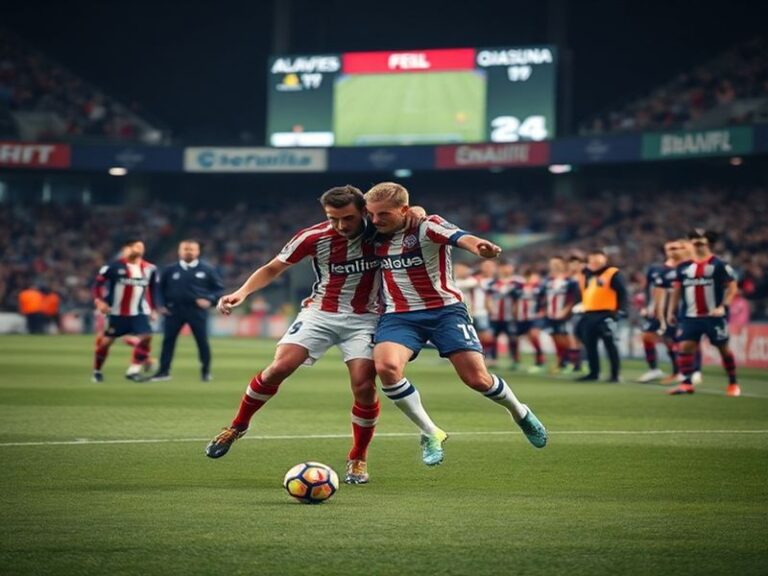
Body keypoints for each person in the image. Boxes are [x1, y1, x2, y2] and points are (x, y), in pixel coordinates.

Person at [204, 185, 425, 485]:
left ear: (363, 212)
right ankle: (237, 426)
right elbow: (273, 267)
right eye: (333, 218)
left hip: (367, 317)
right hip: (320, 312)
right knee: (278, 368)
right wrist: (241, 292)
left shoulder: (381, 230)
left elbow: (414, 217)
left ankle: (358, 457)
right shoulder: (313, 237)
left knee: (363, 385)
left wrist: (418, 212)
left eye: (347, 218)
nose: (340, 225)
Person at [364, 182, 547, 467]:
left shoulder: (428, 225)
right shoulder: (372, 232)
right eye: (371, 214)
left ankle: (519, 412)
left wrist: (480, 248)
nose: (376, 220)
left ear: (403, 210)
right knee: (386, 367)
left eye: (383, 214)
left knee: (477, 379)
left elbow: (461, 237)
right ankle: (430, 432)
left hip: (446, 311)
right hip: (399, 315)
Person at [666, 229, 740, 396]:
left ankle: (733, 383)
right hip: (690, 316)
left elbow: (733, 287)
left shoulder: (719, 264)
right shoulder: (684, 267)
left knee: (723, 349)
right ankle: (686, 383)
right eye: (693, 240)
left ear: (709, 242)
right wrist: (671, 311)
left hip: (713, 317)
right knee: (685, 347)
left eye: (700, 240)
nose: (696, 243)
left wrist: (723, 306)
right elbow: (677, 290)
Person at [151, 240, 224, 382]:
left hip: (196, 311)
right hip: (173, 310)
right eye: (185, 249)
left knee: (202, 341)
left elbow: (219, 289)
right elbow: (158, 289)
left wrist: (209, 300)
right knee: (168, 341)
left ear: (198, 251)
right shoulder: (169, 270)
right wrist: (160, 305)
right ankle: (163, 372)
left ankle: (205, 372)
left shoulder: (207, 269)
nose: (188, 251)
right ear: (179, 251)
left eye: (192, 249)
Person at [91, 238, 158, 383]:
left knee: (147, 337)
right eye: (135, 247)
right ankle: (97, 371)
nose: (138, 250)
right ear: (126, 249)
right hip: (116, 312)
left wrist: (153, 309)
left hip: (138, 312)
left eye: (141, 247)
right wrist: (99, 301)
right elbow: (97, 285)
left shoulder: (150, 268)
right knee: (106, 343)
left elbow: (152, 290)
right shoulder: (112, 266)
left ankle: (133, 371)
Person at [575, 249, 629, 382]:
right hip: (588, 314)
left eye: (597, 259)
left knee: (610, 344)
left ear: (605, 259)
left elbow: (623, 293)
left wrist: (620, 311)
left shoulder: (612, 273)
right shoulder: (585, 275)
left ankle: (615, 374)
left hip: (606, 314)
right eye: (591, 259)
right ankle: (594, 373)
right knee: (589, 345)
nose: (594, 262)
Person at [543, 256, 580, 373]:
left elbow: (573, 298)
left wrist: (565, 310)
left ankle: (574, 363)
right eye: (552, 263)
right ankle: (561, 362)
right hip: (550, 314)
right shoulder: (548, 281)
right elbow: (542, 297)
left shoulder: (569, 281)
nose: (554, 266)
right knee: (555, 338)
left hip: (564, 315)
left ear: (563, 264)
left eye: (557, 263)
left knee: (566, 339)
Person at [453, 260, 496, 360]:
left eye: (460, 268)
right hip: (465, 313)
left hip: (480, 312)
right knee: (464, 337)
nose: (458, 271)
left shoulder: (473, 280)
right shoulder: (462, 281)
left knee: (485, 336)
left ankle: (486, 356)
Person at [511, 267, 546, 373]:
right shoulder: (518, 288)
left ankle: (540, 362)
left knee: (534, 335)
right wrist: (514, 313)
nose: (529, 278)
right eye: (527, 275)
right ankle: (516, 361)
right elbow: (514, 302)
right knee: (514, 339)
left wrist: (542, 312)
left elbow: (545, 300)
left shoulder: (540, 288)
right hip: (521, 318)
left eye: (532, 275)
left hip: (534, 317)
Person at [485, 261, 519, 368]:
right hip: (495, 317)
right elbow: (488, 298)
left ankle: (515, 360)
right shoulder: (493, 284)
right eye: (503, 267)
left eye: (508, 267)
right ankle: (493, 359)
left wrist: (515, 313)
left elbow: (517, 300)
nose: (506, 270)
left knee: (512, 338)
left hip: (509, 317)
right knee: (492, 338)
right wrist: (490, 309)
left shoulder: (516, 284)